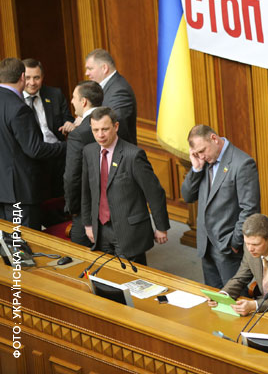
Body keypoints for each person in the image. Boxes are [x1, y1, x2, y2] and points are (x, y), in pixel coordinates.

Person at [81, 107, 169, 264]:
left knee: (132, 276)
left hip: (129, 232)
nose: (100, 135)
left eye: (105, 129)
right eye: (95, 130)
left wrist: (161, 227)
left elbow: (154, 192)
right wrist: (88, 224)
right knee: (106, 274)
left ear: (116, 127)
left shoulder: (133, 155)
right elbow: (86, 191)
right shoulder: (89, 152)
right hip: (100, 229)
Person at [181, 125, 260, 288]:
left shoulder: (242, 164)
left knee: (235, 297)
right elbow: (188, 196)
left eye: (202, 151)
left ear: (214, 139)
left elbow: (250, 210)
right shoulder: (202, 162)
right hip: (206, 245)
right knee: (214, 297)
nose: (201, 156)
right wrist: (196, 168)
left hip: (228, 247)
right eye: (197, 153)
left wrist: (234, 242)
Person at [0, 58, 65, 230]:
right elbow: (35, 149)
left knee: (8, 242)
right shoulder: (19, 108)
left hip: (4, 191)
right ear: (22, 77)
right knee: (22, 241)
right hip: (19, 193)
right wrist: (67, 147)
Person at [63, 81, 129, 246]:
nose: (72, 101)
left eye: (74, 97)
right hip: (121, 205)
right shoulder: (116, 122)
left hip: (89, 210)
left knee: (82, 254)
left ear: (84, 101)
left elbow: (72, 177)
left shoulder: (78, 134)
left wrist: (74, 209)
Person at [85, 48, 137, 144]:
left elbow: (113, 125)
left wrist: (83, 123)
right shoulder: (107, 87)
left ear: (104, 68)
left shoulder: (120, 91)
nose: (86, 73)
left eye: (90, 69)